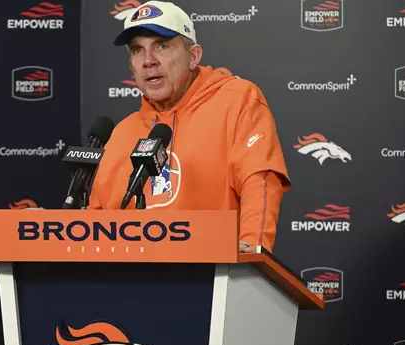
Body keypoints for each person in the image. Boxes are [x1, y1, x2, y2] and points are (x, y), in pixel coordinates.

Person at [88, 0, 291, 253]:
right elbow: (95, 223)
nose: (148, 61)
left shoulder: (236, 100)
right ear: (131, 66)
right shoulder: (121, 134)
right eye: (138, 50)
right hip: (132, 280)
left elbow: (260, 177)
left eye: (162, 46)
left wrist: (253, 245)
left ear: (193, 56)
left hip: (212, 275)